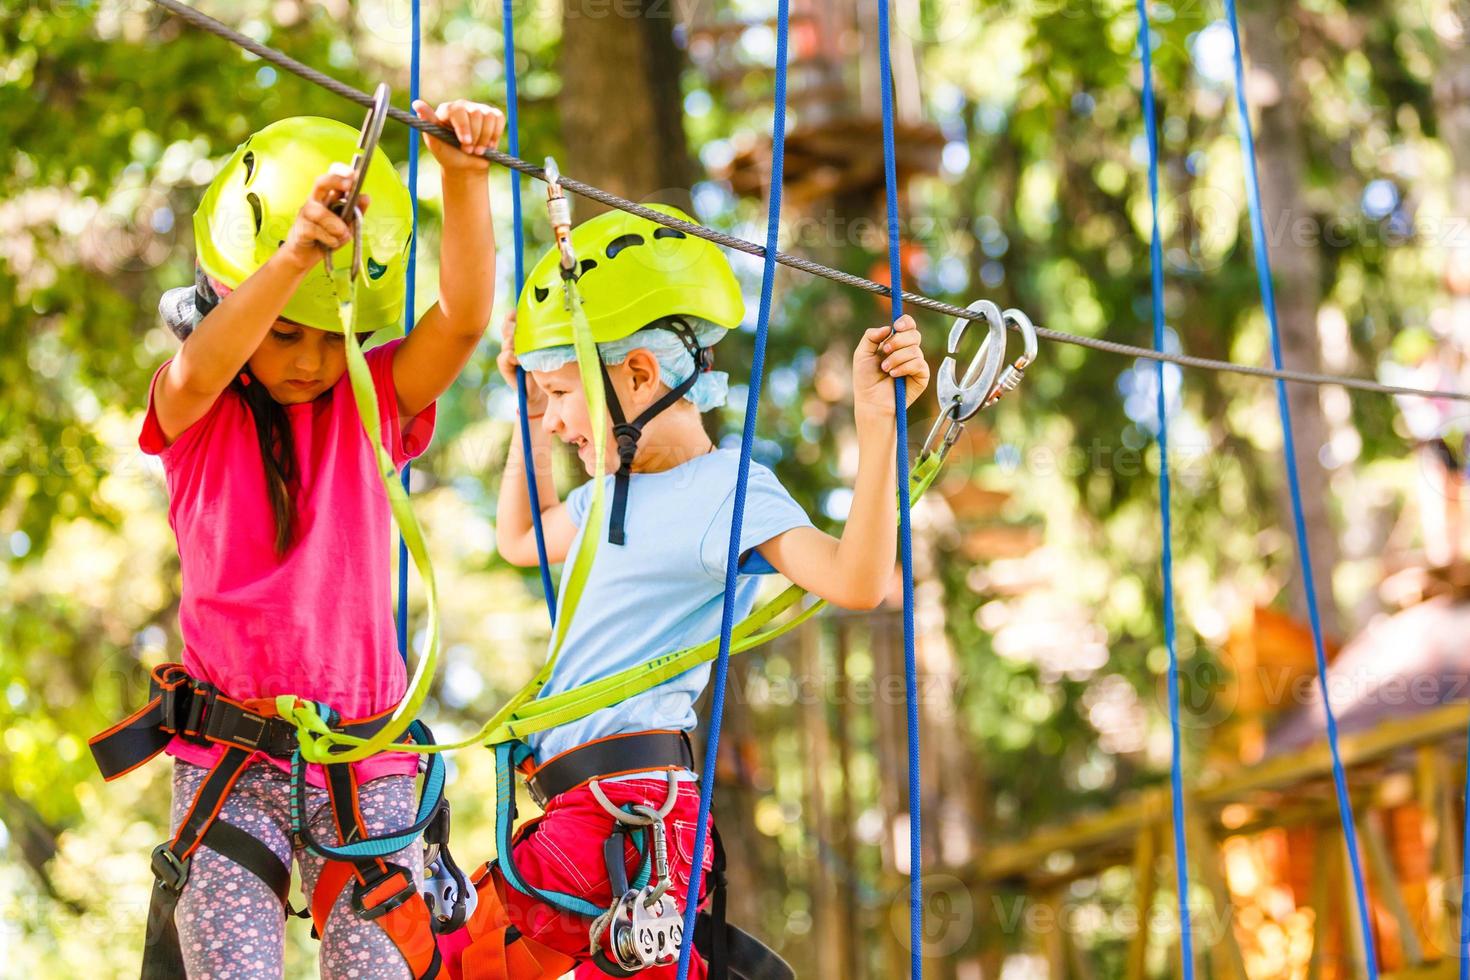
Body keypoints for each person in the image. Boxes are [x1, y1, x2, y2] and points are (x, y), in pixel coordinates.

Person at [475, 204, 929, 977]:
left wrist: (877, 422)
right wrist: (526, 403)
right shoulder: (606, 495)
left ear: (641, 375)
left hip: (629, 817)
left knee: (437, 958)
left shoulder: (727, 491)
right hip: (580, 816)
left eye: (559, 394)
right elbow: (523, 538)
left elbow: (856, 579)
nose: (551, 421)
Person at [126, 98, 500, 979]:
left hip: (366, 765)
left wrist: (463, 178)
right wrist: (293, 256)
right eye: (283, 334)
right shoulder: (197, 412)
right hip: (233, 761)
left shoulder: (369, 401)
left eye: (331, 340)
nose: (308, 361)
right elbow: (204, 362)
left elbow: (463, 321)